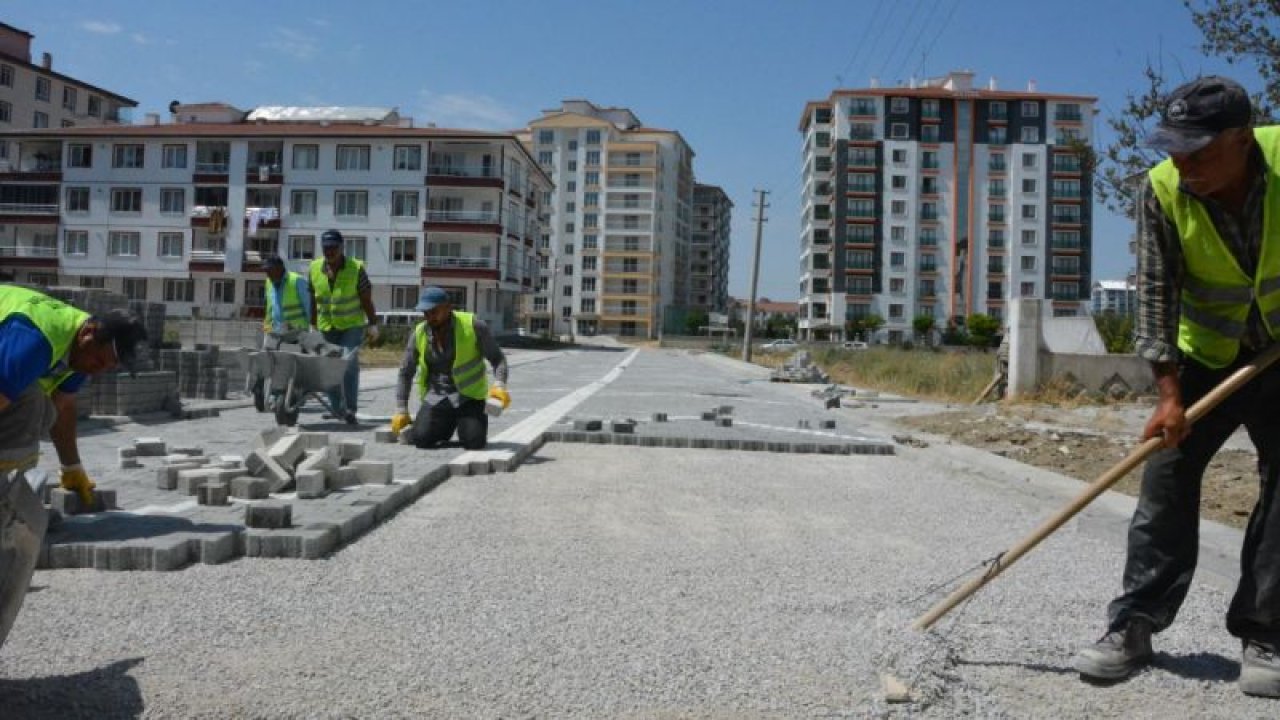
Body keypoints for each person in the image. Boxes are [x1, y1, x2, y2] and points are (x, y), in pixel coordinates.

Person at [1072, 76, 1280, 697]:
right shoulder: (1162, 188)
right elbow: (1155, 296)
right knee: (1165, 481)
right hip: (1202, 359)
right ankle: (1134, 622)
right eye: (1173, 147)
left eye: (1197, 149)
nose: (1181, 162)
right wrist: (1168, 396)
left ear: (1241, 138)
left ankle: (1266, 633)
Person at [0, 285, 148, 506]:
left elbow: (63, 406)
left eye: (107, 367)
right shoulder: (36, 339)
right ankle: (7, 497)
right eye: (98, 361)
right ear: (87, 334)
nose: (97, 370)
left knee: (46, 411)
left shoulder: (82, 351)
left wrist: (72, 467)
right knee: (29, 403)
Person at [391, 286, 509, 450]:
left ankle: (464, 423)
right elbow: (405, 372)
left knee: (474, 442)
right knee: (421, 439)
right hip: (437, 397)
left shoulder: (473, 326)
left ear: (448, 308)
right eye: (426, 313)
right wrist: (401, 409)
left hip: (469, 398)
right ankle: (444, 424)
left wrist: (499, 385)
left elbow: (498, 359)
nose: (429, 317)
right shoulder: (420, 333)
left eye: (434, 312)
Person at [308, 229, 377, 424]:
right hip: (326, 327)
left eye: (334, 248)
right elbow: (313, 300)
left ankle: (350, 409)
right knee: (329, 367)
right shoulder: (314, 268)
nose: (330, 252)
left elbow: (366, 299)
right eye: (326, 248)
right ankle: (337, 409)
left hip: (351, 326)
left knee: (348, 365)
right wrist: (312, 326)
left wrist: (373, 323)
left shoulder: (356, 268)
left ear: (342, 247)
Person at [261, 255, 311, 342]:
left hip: (299, 336)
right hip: (277, 336)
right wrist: (267, 332)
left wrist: (312, 334)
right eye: (266, 271)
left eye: (270, 270)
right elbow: (269, 311)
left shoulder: (297, 281)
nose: (268, 274)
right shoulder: (269, 282)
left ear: (280, 268)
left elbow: (310, 308)